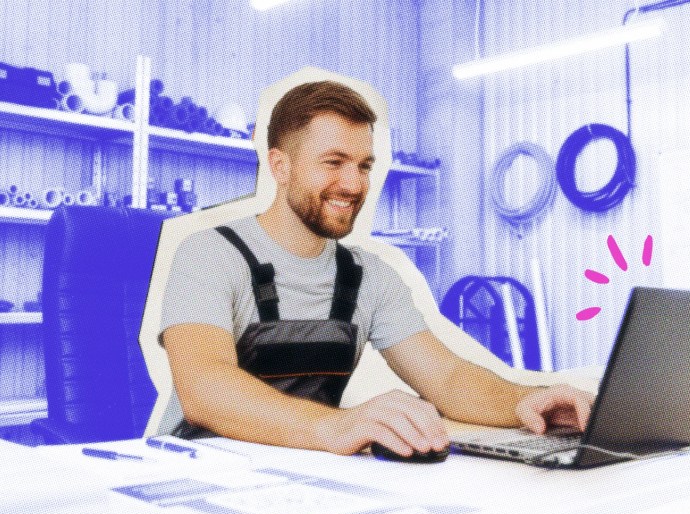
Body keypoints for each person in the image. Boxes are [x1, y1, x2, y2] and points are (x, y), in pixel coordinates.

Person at [159, 79, 594, 458]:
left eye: (363, 165)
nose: (353, 185)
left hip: (301, 473)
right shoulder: (208, 254)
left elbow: (447, 377)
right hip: (199, 472)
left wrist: (526, 401)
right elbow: (205, 387)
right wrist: (337, 425)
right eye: (333, 162)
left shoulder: (370, 277)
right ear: (280, 166)